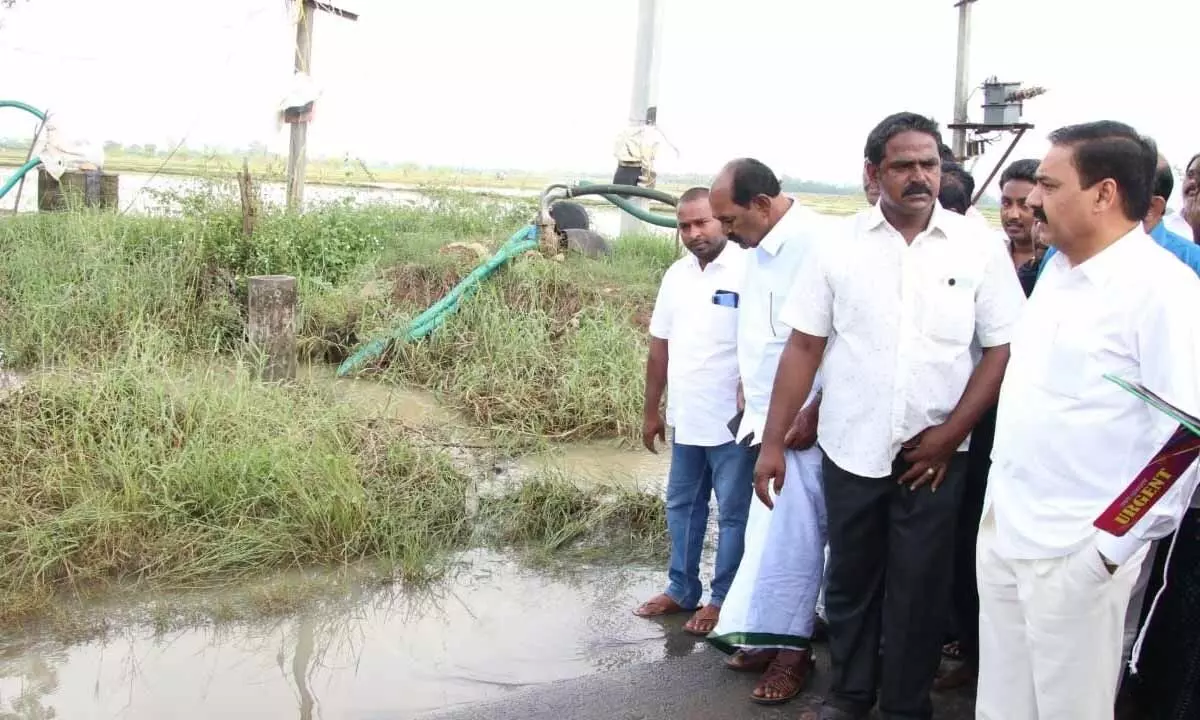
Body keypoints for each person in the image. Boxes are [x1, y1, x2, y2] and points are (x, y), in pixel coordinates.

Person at [755, 112, 1025, 720]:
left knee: (919, 592)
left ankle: (905, 706)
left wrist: (951, 436)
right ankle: (849, 696)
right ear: (875, 173)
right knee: (850, 582)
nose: (919, 176)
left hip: (936, 458)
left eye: (929, 163)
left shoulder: (977, 244)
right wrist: (772, 444)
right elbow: (804, 347)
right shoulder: (837, 245)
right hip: (851, 446)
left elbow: (1002, 348)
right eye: (903, 165)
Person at [976, 121, 1200, 720]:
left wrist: (1108, 547)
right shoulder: (1058, 273)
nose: (1031, 200)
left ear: (1103, 194)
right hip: (1008, 531)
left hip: (1076, 549)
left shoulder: (1163, 292)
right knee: (1002, 705)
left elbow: (1188, 437)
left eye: (1048, 184)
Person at [704, 158, 830, 706]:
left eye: (731, 220)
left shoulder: (819, 245)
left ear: (762, 204)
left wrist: (814, 410)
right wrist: (745, 389)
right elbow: (763, 332)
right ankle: (762, 633)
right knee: (766, 540)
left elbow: (838, 340)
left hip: (805, 427)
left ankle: (793, 653)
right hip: (766, 421)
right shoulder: (758, 249)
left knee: (796, 545)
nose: (726, 233)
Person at [935, 157, 1046, 693]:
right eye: (1008, 202)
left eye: (1027, 203)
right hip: (979, 424)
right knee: (973, 541)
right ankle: (977, 655)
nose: (1017, 213)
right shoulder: (985, 258)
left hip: (1031, 433)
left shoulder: (1055, 269)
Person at [633, 187, 753, 637]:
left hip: (735, 425)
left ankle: (723, 598)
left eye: (702, 222)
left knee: (735, 513)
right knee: (683, 506)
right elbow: (659, 347)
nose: (693, 233)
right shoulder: (676, 276)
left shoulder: (749, 270)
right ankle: (682, 589)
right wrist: (652, 410)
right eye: (684, 225)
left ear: (723, 220)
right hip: (687, 417)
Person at [1038, 152, 1200, 276]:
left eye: (1108, 194)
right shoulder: (1062, 252)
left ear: (1151, 208)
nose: (1098, 201)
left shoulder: (1190, 261)